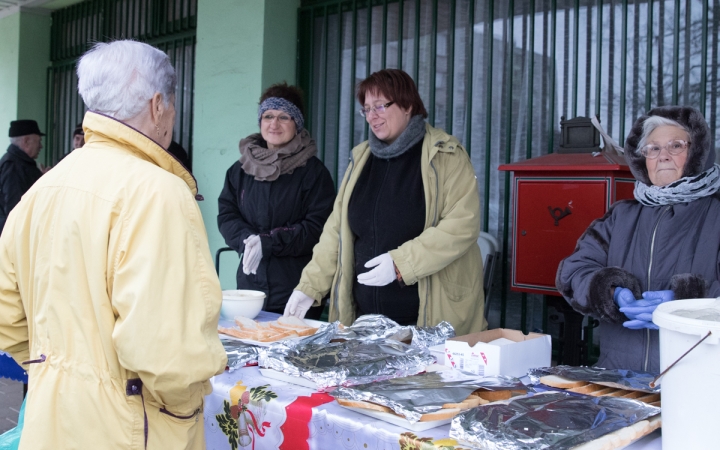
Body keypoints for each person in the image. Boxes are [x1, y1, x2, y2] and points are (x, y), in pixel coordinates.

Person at [0, 40, 227, 448]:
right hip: (131, 429)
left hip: (50, 422)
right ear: (158, 105)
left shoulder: (43, 188)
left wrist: (52, 370)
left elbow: (8, 314)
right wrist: (184, 407)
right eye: (173, 107)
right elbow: (168, 353)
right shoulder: (159, 192)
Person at [284, 69, 486, 335]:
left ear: (407, 105)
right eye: (366, 109)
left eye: (380, 106)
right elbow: (336, 233)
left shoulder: (445, 154)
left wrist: (401, 263)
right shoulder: (361, 159)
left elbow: (462, 225)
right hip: (365, 324)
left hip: (427, 321)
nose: (372, 116)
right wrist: (309, 287)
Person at [556, 105, 720, 372]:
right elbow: (574, 271)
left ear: (698, 153)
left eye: (676, 146)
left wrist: (687, 305)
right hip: (620, 376)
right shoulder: (621, 216)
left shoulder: (716, 214)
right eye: (653, 148)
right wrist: (610, 292)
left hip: (700, 380)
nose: (663, 156)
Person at [218, 82, 335, 319]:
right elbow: (227, 215)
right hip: (250, 292)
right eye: (268, 115)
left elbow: (317, 227)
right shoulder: (239, 170)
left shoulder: (313, 172)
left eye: (284, 117)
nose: (274, 123)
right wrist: (248, 241)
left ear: (297, 124)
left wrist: (268, 242)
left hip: (297, 292)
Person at [0, 120, 44, 232]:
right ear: (26, 141)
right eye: (38, 141)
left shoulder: (17, 163)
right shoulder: (14, 166)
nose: (41, 146)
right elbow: (14, 208)